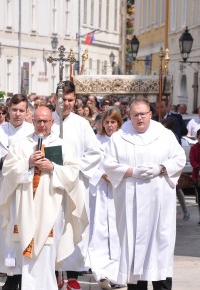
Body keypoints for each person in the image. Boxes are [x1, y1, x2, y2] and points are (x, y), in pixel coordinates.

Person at [0, 106, 87, 290]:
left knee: (47, 255)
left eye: (46, 121)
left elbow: (73, 174)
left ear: (52, 122)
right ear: (33, 122)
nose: (42, 125)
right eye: (38, 121)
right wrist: (27, 163)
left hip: (51, 208)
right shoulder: (21, 145)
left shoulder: (63, 146)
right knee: (27, 257)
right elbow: (8, 171)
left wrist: (53, 168)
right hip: (25, 209)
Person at [102, 98, 186, 289]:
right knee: (134, 255)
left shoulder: (164, 135)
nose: (139, 118)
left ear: (150, 114)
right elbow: (109, 165)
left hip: (159, 206)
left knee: (160, 249)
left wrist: (161, 168)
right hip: (131, 206)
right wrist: (133, 172)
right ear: (128, 116)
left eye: (143, 114)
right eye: (135, 115)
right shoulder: (119, 137)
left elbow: (179, 158)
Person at [52, 81, 101, 290]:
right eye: (63, 99)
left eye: (70, 100)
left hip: (75, 184)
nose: (66, 104)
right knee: (52, 226)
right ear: (55, 99)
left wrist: (74, 166)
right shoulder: (46, 121)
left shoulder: (81, 124)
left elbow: (95, 152)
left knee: (72, 225)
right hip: (50, 184)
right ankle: (53, 272)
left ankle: (72, 275)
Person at [0, 94, 34, 289]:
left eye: (21, 110)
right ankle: (10, 273)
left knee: (24, 228)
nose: (17, 114)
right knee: (5, 229)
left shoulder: (32, 131)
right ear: (8, 111)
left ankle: (25, 273)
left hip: (25, 187)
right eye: (14, 110)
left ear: (26, 112)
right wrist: (3, 162)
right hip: (4, 186)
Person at [88, 108, 125, 289]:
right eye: (107, 122)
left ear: (119, 123)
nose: (110, 126)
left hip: (119, 190)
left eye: (113, 122)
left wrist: (118, 175)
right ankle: (101, 272)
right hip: (102, 191)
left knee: (118, 232)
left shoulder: (125, 141)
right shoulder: (96, 142)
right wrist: (101, 175)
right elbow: (87, 164)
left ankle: (118, 274)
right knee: (100, 232)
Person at [161, 117, 190, 222]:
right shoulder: (163, 135)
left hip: (170, 166)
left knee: (175, 188)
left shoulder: (172, 136)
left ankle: (184, 211)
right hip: (164, 165)